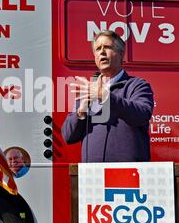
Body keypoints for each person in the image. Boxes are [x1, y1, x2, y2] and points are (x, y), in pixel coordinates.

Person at [62, 30, 154, 162]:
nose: (102, 52)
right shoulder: (88, 90)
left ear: (121, 54)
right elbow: (68, 137)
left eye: (108, 47)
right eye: (98, 49)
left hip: (128, 174)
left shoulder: (137, 85)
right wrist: (81, 112)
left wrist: (105, 96)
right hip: (93, 176)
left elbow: (141, 115)